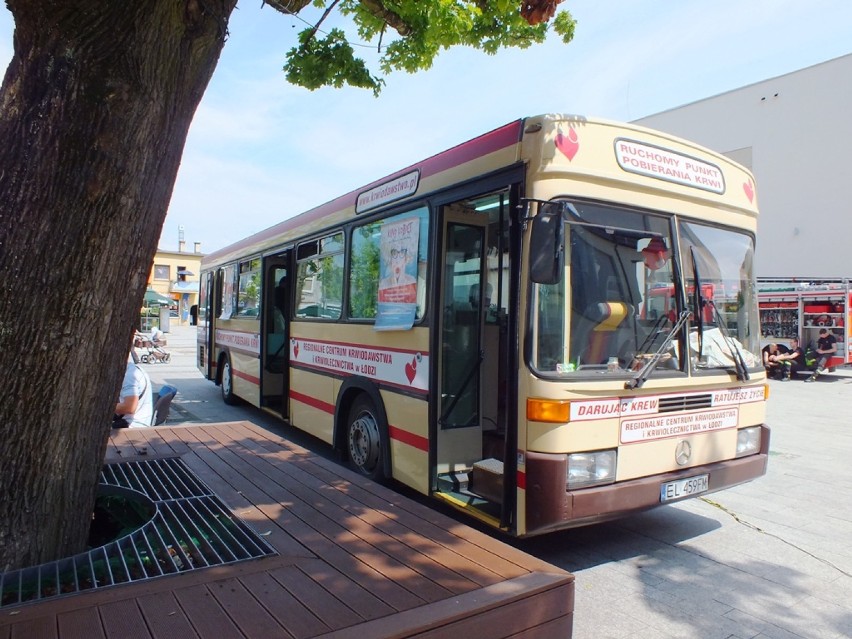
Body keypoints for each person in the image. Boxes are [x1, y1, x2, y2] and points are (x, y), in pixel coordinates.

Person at [113, 356, 154, 428]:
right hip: (138, 421)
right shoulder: (133, 369)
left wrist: (101, 407)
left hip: (134, 426)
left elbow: (129, 407)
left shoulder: (129, 376)